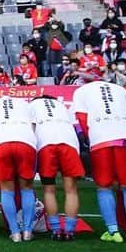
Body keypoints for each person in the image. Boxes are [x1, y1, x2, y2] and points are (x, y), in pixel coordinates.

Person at [70, 81, 126, 243]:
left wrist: (90, 139)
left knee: (104, 187)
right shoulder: (121, 89)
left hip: (100, 139)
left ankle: (113, 231)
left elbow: (82, 118)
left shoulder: (81, 91)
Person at [31, 95, 85, 241]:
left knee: (49, 189)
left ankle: (55, 229)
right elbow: (78, 127)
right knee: (71, 190)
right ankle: (69, 230)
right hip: (69, 143)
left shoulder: (31, 106)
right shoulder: (62, 106)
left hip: (45, 144)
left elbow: (31, 128)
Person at [0, 96, 37, 243]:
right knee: (27, 188)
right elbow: (33, 127)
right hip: (26, 140)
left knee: (7, 190)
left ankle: (15, 233)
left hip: (1, 141)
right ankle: (27, 231)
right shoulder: (25, 103)